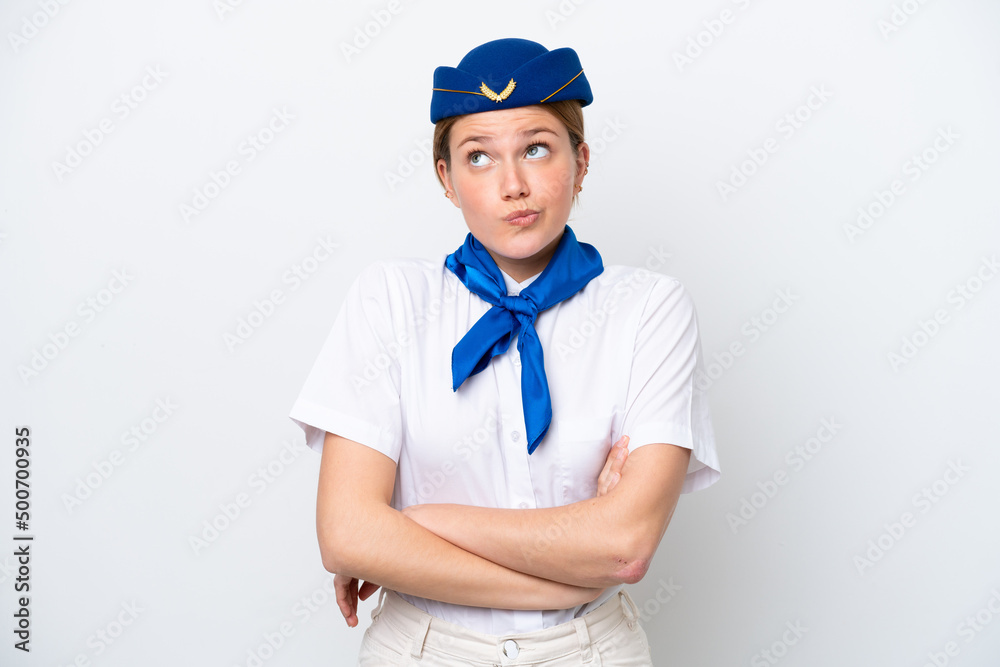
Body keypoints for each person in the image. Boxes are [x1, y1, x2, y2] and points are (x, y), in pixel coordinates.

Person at [289, 37, 720, 666]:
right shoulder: (390, 299)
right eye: (479, 157)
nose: (513, 185)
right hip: (421, 650)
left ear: (581, 159)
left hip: (591, 651)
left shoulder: (649, 309)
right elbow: (348, 535)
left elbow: (625, 543)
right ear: (446, 178)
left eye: (536, 149)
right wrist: (570, 564)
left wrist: (419, 524)